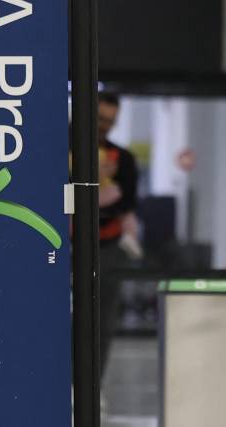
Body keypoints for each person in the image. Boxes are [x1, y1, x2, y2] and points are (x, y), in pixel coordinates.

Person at [96, 91, 140, 381]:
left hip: (106, 244)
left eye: (111, 122)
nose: (104, 126)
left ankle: (92, 383)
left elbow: (128, 202)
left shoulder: (122, 158)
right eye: (100, 119)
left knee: (102, 319)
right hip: (58, 245)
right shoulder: (56, 148)